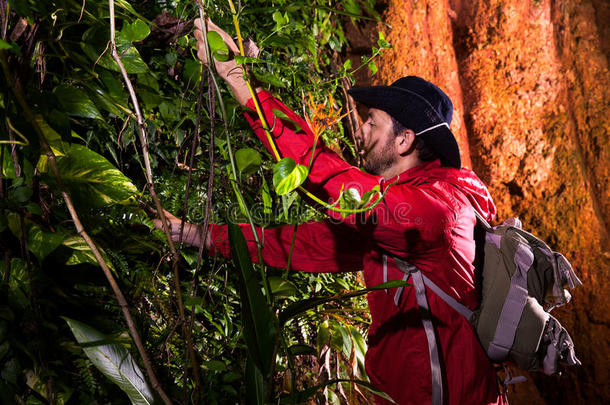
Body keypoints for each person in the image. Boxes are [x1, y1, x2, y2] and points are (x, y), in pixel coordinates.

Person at [155, 18, 506, 405]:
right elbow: (304, 246)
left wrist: (242, 84)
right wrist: (197, 235)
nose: (361, 133)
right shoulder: (402, 220)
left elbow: (330, 179)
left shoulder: (439, 212)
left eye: (372, 123)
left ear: (404, 140)